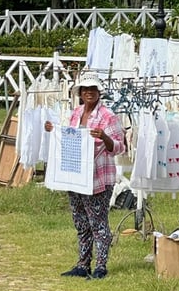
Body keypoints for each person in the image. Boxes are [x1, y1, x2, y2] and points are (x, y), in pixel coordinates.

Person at [43, 71, 126, 279]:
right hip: (76, 176)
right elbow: (70, 139)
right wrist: (54, 131)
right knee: (81, 221)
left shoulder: (108, 117)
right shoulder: (76, 113)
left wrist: (104, 136)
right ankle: (82, 264)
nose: (89, 93)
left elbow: (119, 147)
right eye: (85, 89)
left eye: (93, 89)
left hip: (98, 178)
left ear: (99, 93)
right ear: (80, 93)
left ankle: (101, 265)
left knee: (98, 223)